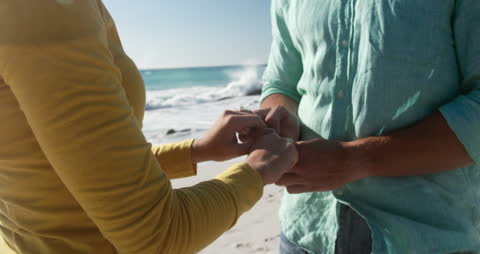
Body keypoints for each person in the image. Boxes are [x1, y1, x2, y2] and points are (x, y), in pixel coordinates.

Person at [0, 1, 298, 254]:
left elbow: (64, 172)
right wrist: (259, 169)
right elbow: (156, 234)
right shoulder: (47, 10)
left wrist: (196, 151)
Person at [258, 0, 480, 253]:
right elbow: (281, 85)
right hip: (303, 232)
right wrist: (279, 120)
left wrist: (355, 160)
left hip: (426, 237)